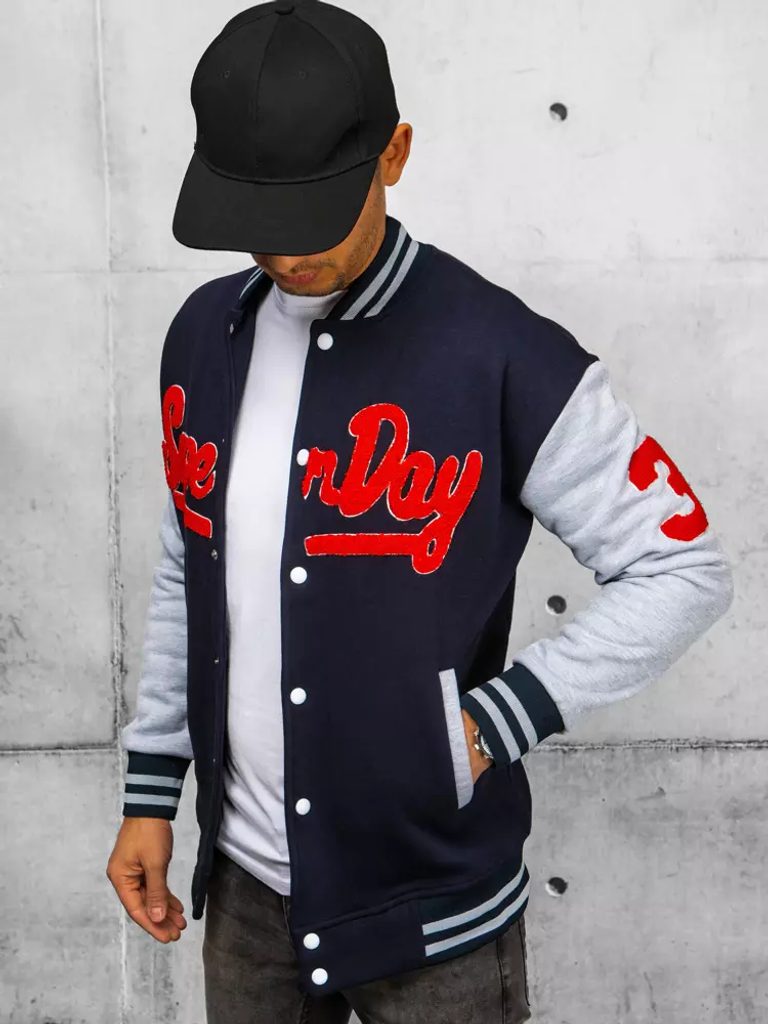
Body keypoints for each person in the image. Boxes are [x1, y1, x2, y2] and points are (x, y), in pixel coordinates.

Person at [105, 2, 735, 1022]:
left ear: (394, 155)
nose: (286, 253)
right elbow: (192, 565)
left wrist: (493, 721)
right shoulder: (202, 338)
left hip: (436, 915)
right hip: (247, 899)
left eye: (312, 211)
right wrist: (151, 790)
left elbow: (684, 568)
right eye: (257, 217)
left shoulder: (502, 353)